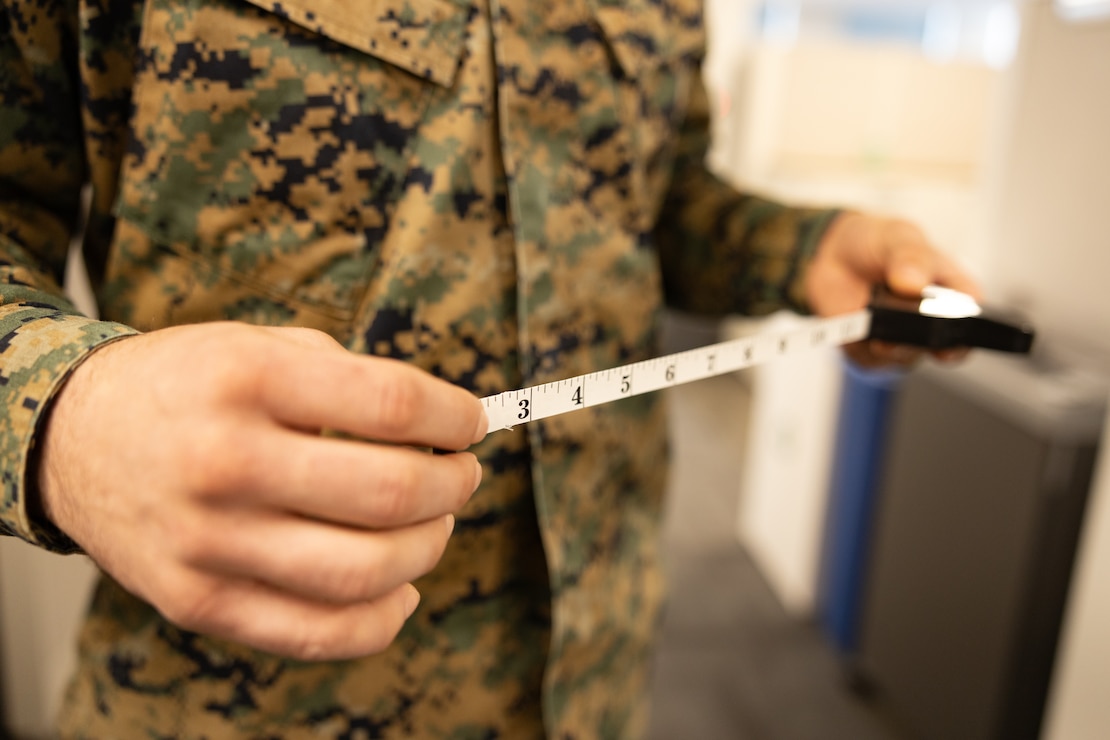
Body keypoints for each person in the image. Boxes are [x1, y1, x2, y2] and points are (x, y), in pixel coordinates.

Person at [0, 0, 977, 736]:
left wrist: (798, 247)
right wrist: (65, 421)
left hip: (599, 678)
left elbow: (651, 194)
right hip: (246, 697)